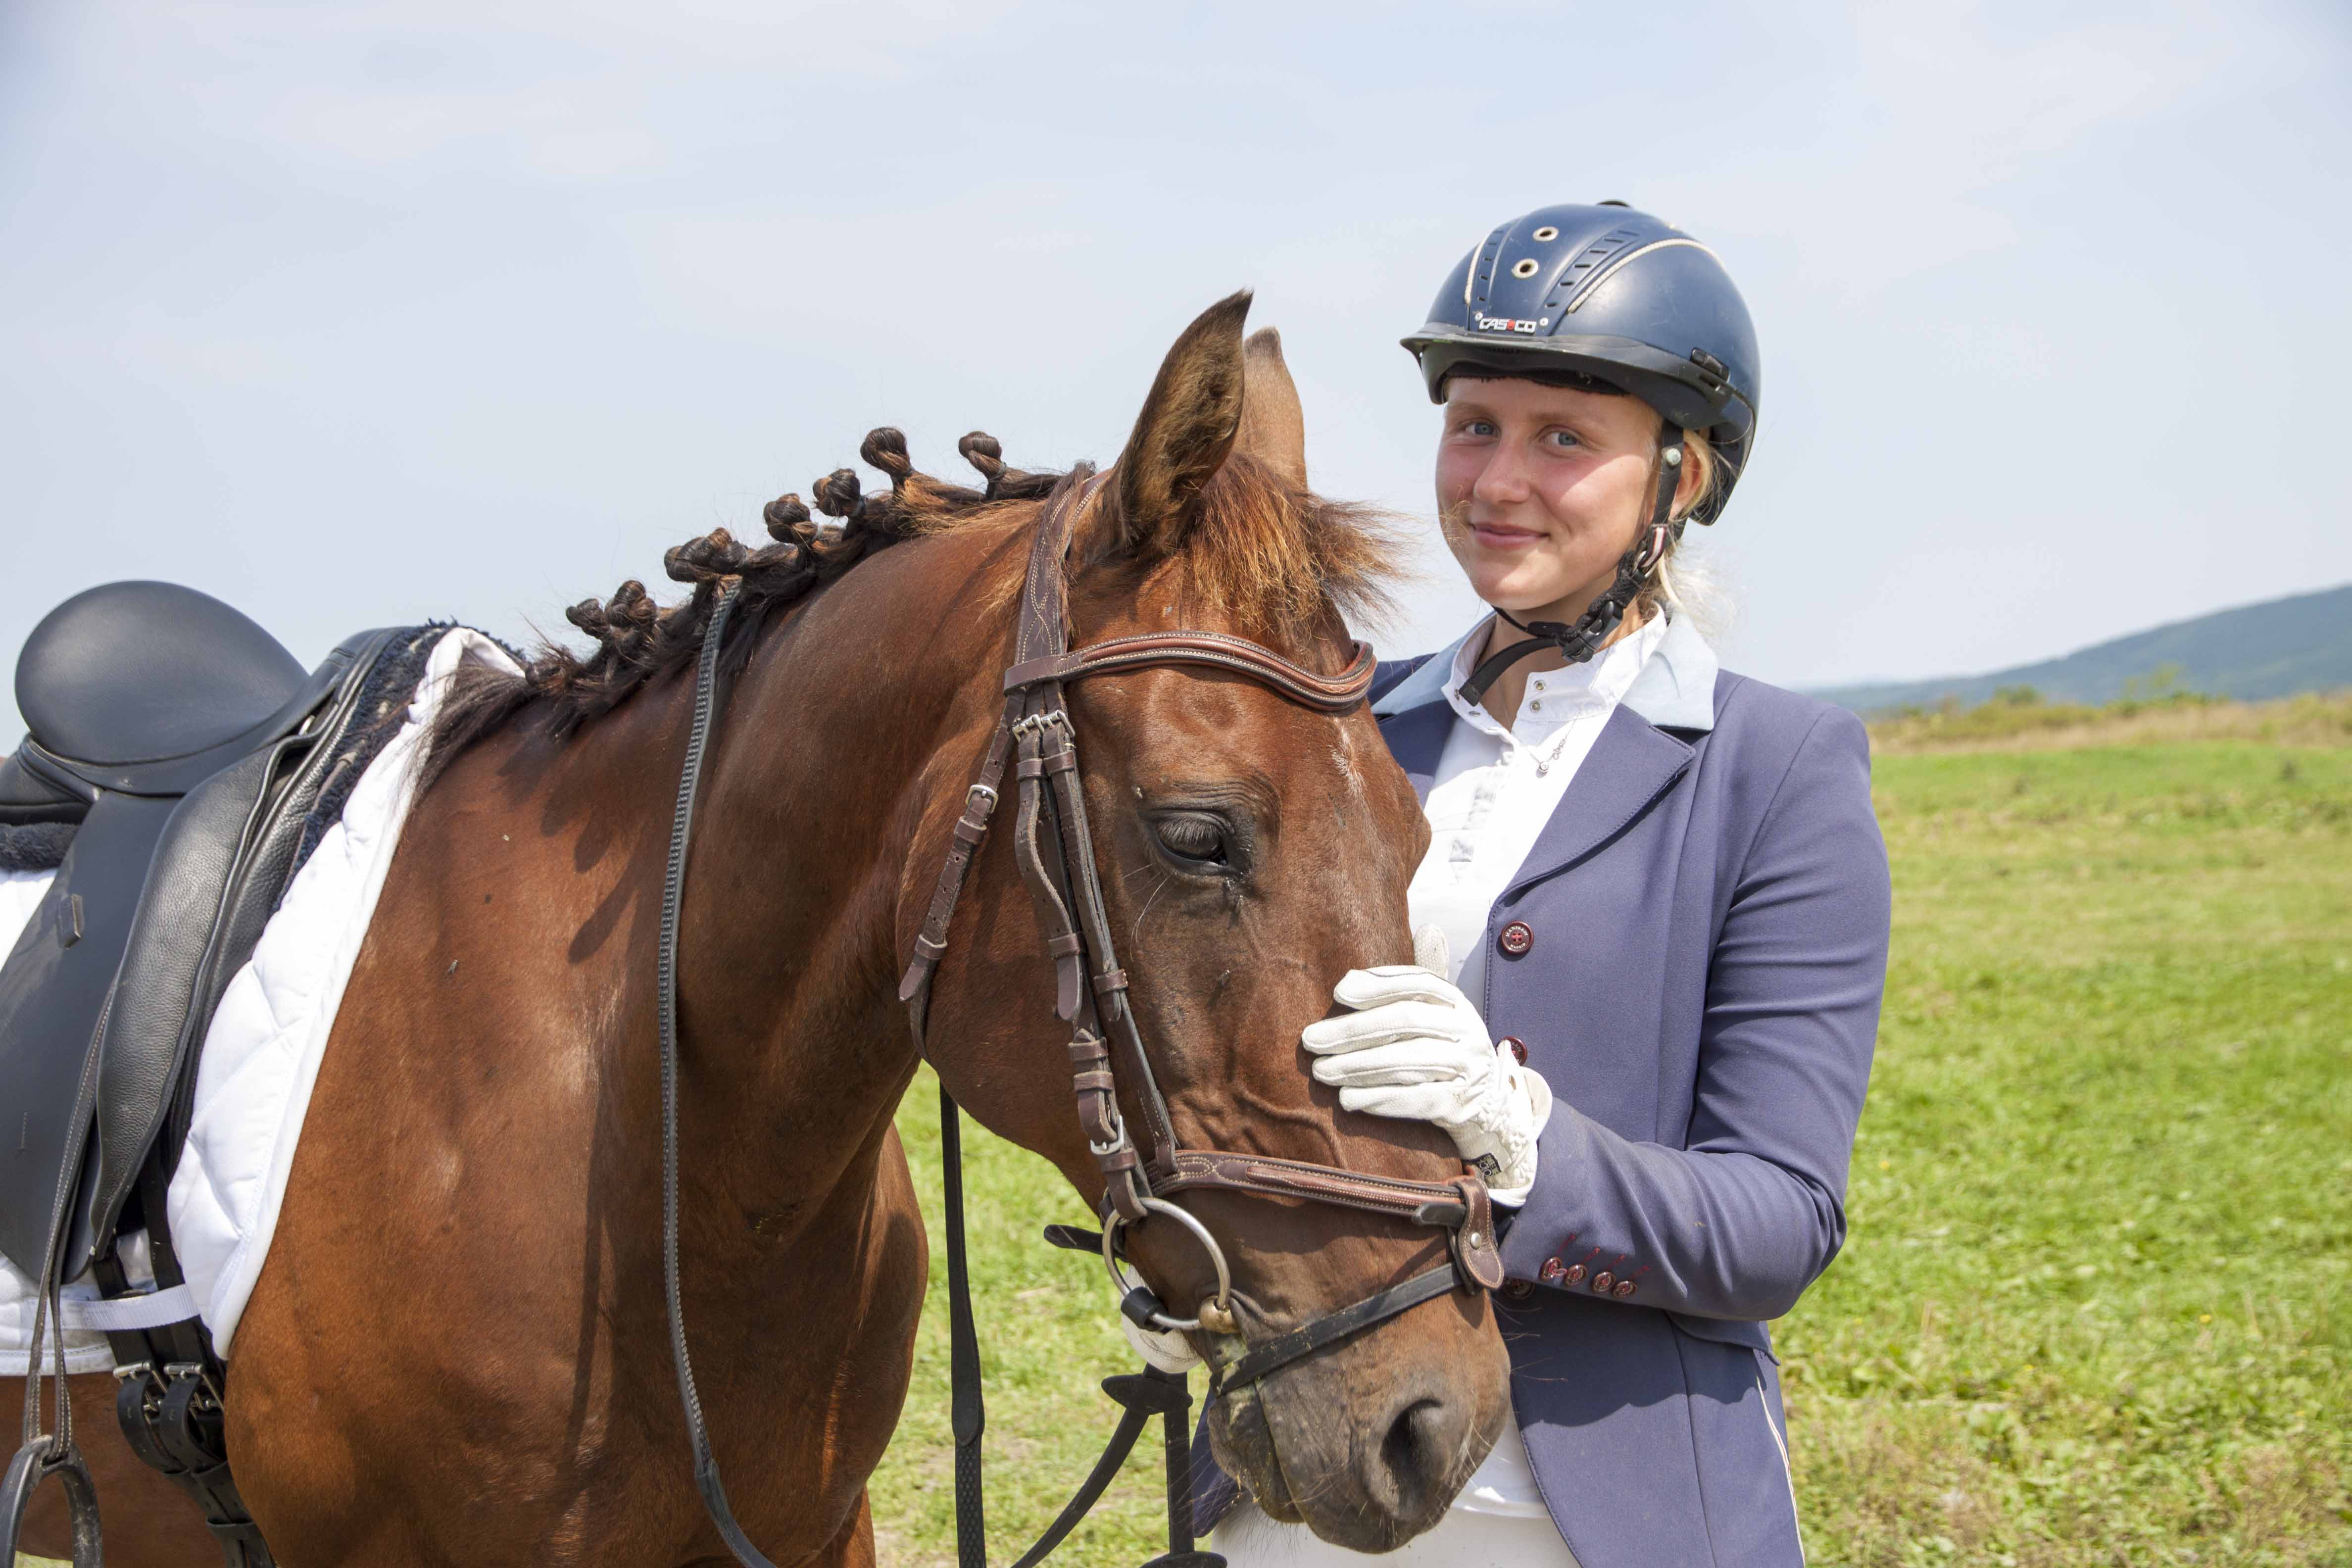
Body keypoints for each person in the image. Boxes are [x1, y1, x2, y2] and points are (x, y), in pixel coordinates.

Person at [1160, 202, 1893, 1567]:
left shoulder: (1776, 770)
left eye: (1565, 439)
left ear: (1682, 475)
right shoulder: (1343, 729)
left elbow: (1778, 1225)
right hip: (1300, 1483)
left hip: (1602, 1514)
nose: (1497, 479)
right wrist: (1199, 1261)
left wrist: (1517, 1135)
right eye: (1475, 424)